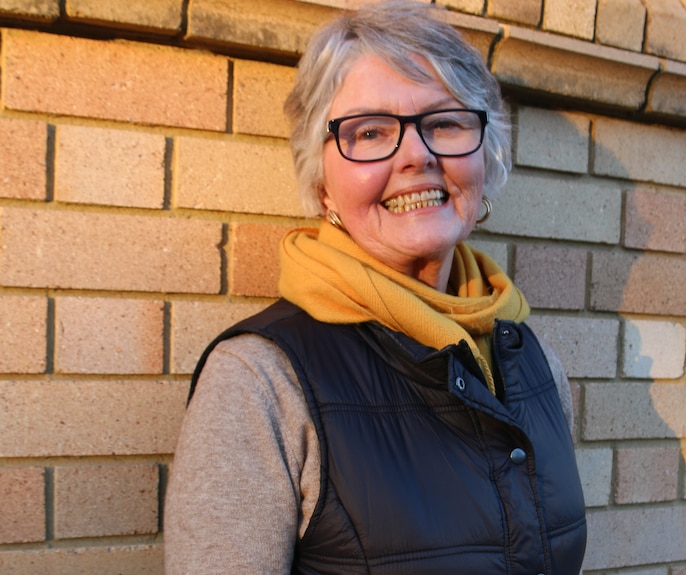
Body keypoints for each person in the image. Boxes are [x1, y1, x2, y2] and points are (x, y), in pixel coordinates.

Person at [164, 1, 586, 573]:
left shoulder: (535, 366)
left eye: (445, 123)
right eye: (370, 131)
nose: (418, 154)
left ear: (484, 158)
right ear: (322, 186)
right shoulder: (261, 383)